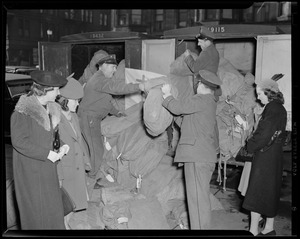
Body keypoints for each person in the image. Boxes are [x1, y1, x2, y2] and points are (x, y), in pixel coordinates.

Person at [77, 52, 156, 182]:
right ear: (104, 66)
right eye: (113, 67)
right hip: (90, 119)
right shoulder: (99, 80)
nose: (114, 71)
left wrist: (116, 112)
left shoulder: (101, 80)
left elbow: (106, 101)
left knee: (93, 149)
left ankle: (91, 176)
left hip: (90, 118)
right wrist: (139, 86)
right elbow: (117, 88)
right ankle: (90, 180)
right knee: (96, 150)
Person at [161, 69, 222, 229]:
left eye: (198, 82)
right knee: (197, 200)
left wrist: (167, 95)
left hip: (197, 157)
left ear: (201, 85)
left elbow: (177, 107)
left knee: (197, 202)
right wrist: (175, 116)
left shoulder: (202, 99)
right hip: (200, 156)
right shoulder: (208, 103)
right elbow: (187, 124)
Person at [10, 70, 69, 229]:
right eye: (56, 89)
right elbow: (19, 142)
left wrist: (61, 144)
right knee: (36, 214)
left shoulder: (50, 108)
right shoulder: (22, 112)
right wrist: (47, 154)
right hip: (32, 171)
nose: (59, 92)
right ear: (46, 89)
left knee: (52, 210)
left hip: (47, 169)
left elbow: (49, 135)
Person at [242, 78, 287, 236]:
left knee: (257, 192)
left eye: (260, 93)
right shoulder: (280, 108)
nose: (258, 97)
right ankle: (269, 228)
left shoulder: (272, 108)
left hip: (265, 157)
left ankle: (253, 231)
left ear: (268, 93)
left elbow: (263, 135)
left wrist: (249, 145)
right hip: (274, 155)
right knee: (270, 192)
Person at [55, 74, 91, 228]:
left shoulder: (74, 116)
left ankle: (67, 226)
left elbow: (79, 140)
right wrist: (59, 177)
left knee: (73, 205)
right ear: (64, 100)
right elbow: (54, 149)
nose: (77, 103)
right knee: (64, 206)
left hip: (77, 169)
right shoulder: (55, 119)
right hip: (65, 171)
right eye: (75, 100)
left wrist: (86, 160)